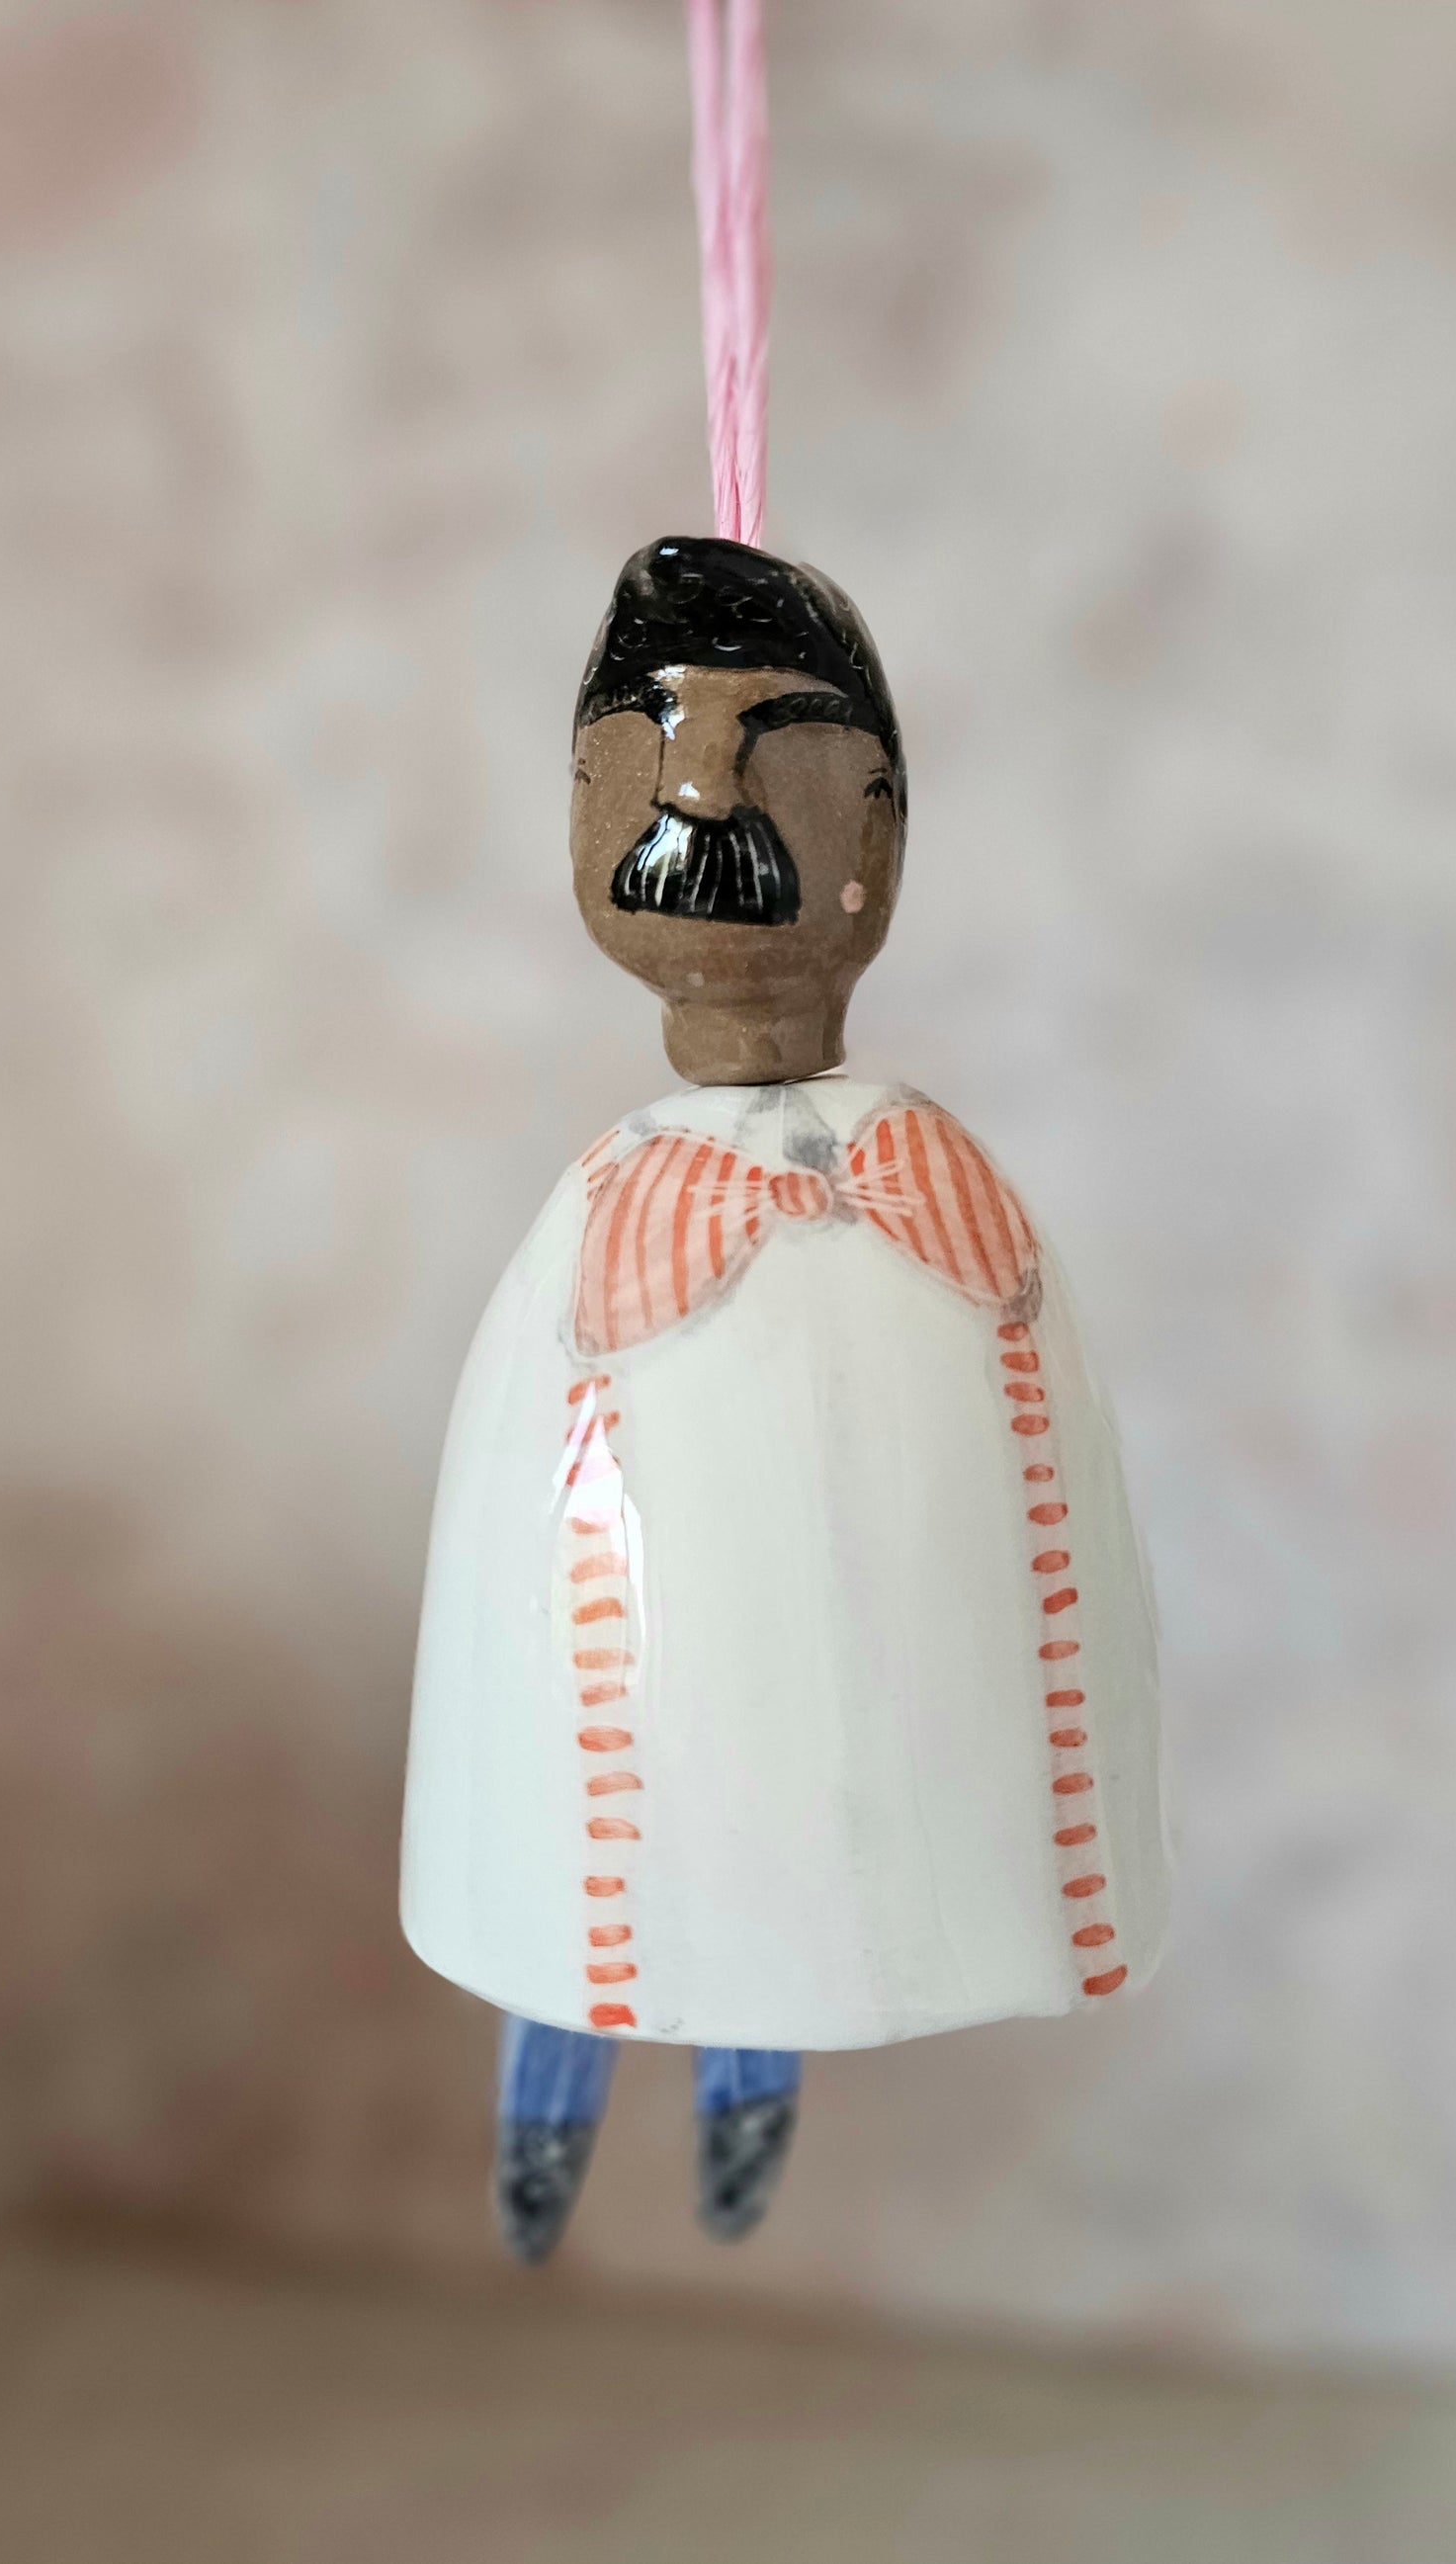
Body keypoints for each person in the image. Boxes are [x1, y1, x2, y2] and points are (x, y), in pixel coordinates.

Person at [402, 538, 1166, 2263]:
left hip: (824, 1740)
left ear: (875, 835)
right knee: (587, 1836)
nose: (699, 801)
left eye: (777, 757)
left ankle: (741, 2091)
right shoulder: (603, 1219)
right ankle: (554, 2104)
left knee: (782, 1844)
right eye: (645, 757)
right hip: (608, 1724)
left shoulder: (942, 1203)